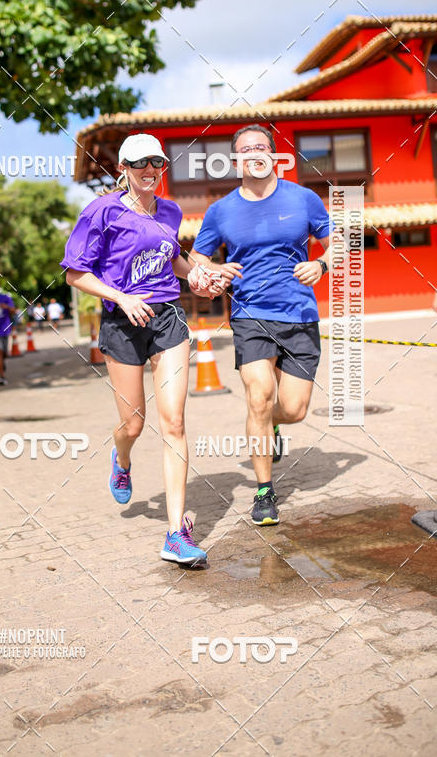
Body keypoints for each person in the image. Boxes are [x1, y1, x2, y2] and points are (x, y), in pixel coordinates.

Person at [62, 133, 223, 566]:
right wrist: (119, 296)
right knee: (132, 424)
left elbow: (174, 259)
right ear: (124, 169)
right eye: (140, 164)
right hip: (122, 322)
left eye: (157, 163)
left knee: (174, 423)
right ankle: (122, 457)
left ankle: (175, 533)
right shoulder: (102, 211)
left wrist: (196, 277)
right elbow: (74, 275)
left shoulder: (170, 211)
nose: (150, 170)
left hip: (167, 319)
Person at [191, 124, 336, 526]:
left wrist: (320, 264)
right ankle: (264, 492)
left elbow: (338, 244)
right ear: (235, 160)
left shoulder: (303, 199)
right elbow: (197, 258)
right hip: (250, 315)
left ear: (274, 155)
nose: (253, 153)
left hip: (299, 315)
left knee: (292, 409)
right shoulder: (221, 210)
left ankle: (271, 425)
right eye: (245, 149)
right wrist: (214, 269)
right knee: (259, 395)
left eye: (261, 147)